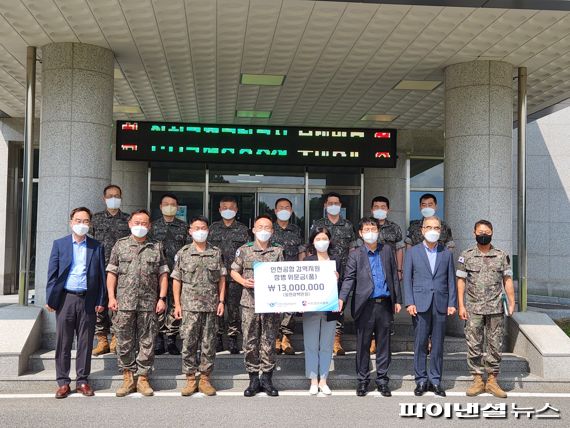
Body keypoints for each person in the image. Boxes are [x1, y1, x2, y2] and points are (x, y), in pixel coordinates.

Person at [106, 209, 169, 397]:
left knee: (147, 340)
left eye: (144, 223)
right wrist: (111, 297)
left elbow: (163, 274)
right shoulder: (120, 245)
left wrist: (162, 298)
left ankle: (143, 378)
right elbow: (112, 273)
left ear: (149, 226)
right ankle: (128, 377)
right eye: (137, 223)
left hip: (149, 302)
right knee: (124, 340)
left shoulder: (156, 246)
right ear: (130, 224)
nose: (140, 226)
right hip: (124, 302)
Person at [46, 207, 107, 399]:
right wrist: (51, 299)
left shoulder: (97, 246)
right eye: (78, 220)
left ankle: (82, 380)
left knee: (85, 342)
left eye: (86, 221)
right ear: (71, 222)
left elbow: (102, 277)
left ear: (90, 224)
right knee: (63, 342)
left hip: (88, 299)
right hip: (65, 298)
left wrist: (101, 300)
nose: (82, 224)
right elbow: (52, 274)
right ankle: (63, 382)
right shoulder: (60, 244)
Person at [339, 217, 401, 397]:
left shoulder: (387, 250)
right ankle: (363, 380)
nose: (370, 232)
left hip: (384, 304)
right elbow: (349, 278)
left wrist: (397, 300)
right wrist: (342, 298)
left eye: (373, 229)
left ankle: (382, 380)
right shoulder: (355, 254)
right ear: (360, 233)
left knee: (384, 345)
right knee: (363, 345)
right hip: (364, 305)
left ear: (378, 231)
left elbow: (394, 276)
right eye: (366, 229)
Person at [456, 220, 515, 398]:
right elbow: (461, 281)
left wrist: (512, 302)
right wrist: (461, 305)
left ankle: (492, 380)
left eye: (487, 231)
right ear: (474, 233)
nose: (484, 234)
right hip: (473, 307)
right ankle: (477, 380)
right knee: (473, 343)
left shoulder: (501, 255)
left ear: (492, 233)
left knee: (494, 344)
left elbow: (507, 280)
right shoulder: (466, 255)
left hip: (496, 307)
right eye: (480, 231)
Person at [172, 216, 226, 396]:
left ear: (208, 230)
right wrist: (177, 304)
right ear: (190, 230)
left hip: (211, 306)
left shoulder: (216, 252)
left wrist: (221, 301)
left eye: (203, 227)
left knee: (208, 343)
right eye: (196, 228)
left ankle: (204, 378)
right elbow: (177, 280)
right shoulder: (183, 253)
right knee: (188, 342)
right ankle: (189, 378)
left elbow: (222, 279)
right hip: (189, 307)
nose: (200, 231)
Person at [403, 216, 457, 397]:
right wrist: (409, 301)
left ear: (440, 230)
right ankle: (420, 380)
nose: (433, 230)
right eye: (429, 227)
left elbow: (451, 280)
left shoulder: (447, 253)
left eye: (436, 227)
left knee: (438, 345)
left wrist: (452, 303)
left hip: (441, 304)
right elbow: (407, 279)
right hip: (419, 304)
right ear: (422, 230)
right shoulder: (412, 252)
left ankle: (435, 380)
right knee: (420, 344)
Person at [231, 214, 284, 397]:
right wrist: (243, 282)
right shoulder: (244, 250)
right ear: (253, 229)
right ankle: (253, 379)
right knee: (250, 341)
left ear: (272, 231)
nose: (263, 231)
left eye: (267, 228)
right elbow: (233, 271)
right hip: (249, 303)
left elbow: (283, 275)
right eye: (260, 227)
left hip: (270, 303)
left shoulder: (278, 251)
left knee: (269, 340)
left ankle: (267, 379)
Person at [310, 192, 356, 356]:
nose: (333, 205)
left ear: (341, 205)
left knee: (339, 304)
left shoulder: (348, 225)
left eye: (336, 203)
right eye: (330, 203)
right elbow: (312, 246)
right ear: (325, 205)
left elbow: (352, 248)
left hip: (341, 271)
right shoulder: (318, 224)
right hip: (320, 272)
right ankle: (319, 337)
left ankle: (337, 340)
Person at [358, 196, 405, 354]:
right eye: (376, 206)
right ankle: (371, 340)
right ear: (371, 209)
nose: (379, 209)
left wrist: (399, 270)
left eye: (383, 206)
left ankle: (383, 339)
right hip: (369, 274)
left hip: (388, 272)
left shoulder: (395, 228)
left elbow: (399, 249)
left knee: (386, 310)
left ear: (388, 209)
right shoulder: (366, 226)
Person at [89, 184, 130, 356]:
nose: (114, 198)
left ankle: (115, 338)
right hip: (100, 267)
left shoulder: (128, 219)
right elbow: (89, 241)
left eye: (117, 195)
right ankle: (102, 340)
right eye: (110, 195)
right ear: (104, 198)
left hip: (122, 269)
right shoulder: (96, 219)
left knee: (117, 304)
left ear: (121, 198)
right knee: (99, 304)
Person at [148, 193, 189, 356]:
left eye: (173, 204)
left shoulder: (183, 227)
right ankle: (158, 339)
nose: (169, 207)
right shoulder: (153, 227)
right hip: (157, 274)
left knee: (175, 306)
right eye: (166, 204)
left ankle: (171, 339)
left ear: (177, 208)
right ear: (160, 206)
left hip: (177, 274)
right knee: (158, 306)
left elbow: (187, 251)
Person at [208, 196, 250, 354]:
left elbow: (246, 252)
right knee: (216, 308)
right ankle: (218, 338)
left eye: (231, 207)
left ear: (237, 210)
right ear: (219, 210)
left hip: (234, 278)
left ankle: (232, 339)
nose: (228, 210)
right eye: (224, 207)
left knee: (233, 309)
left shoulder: (243, 229)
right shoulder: (212, 228)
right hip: (215, 277)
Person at [303, 227, 340, 395]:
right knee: (311, 344)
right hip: (311, 308)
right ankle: (313, 380)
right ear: (313, 242)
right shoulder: (307, 261)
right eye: (318, 239)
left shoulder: (336, 260)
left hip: (330, 309)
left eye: (324, 238)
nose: (321, 242)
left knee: (326, 345)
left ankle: (323, 380)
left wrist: (337, 279)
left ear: (329, 240)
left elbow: (346, 282)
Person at [271, 197, 305, 355]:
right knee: (275, 309)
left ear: (291, 211)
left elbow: (301, 251)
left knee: (290, 309)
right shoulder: (269, 229)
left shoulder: (296, 230)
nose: (284, 210)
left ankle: (286, 339)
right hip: (274, 276)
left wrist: (302, 271)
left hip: (292, 276)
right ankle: (276, 339)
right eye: (281, 207)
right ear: (275, 211)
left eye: (287, 207)